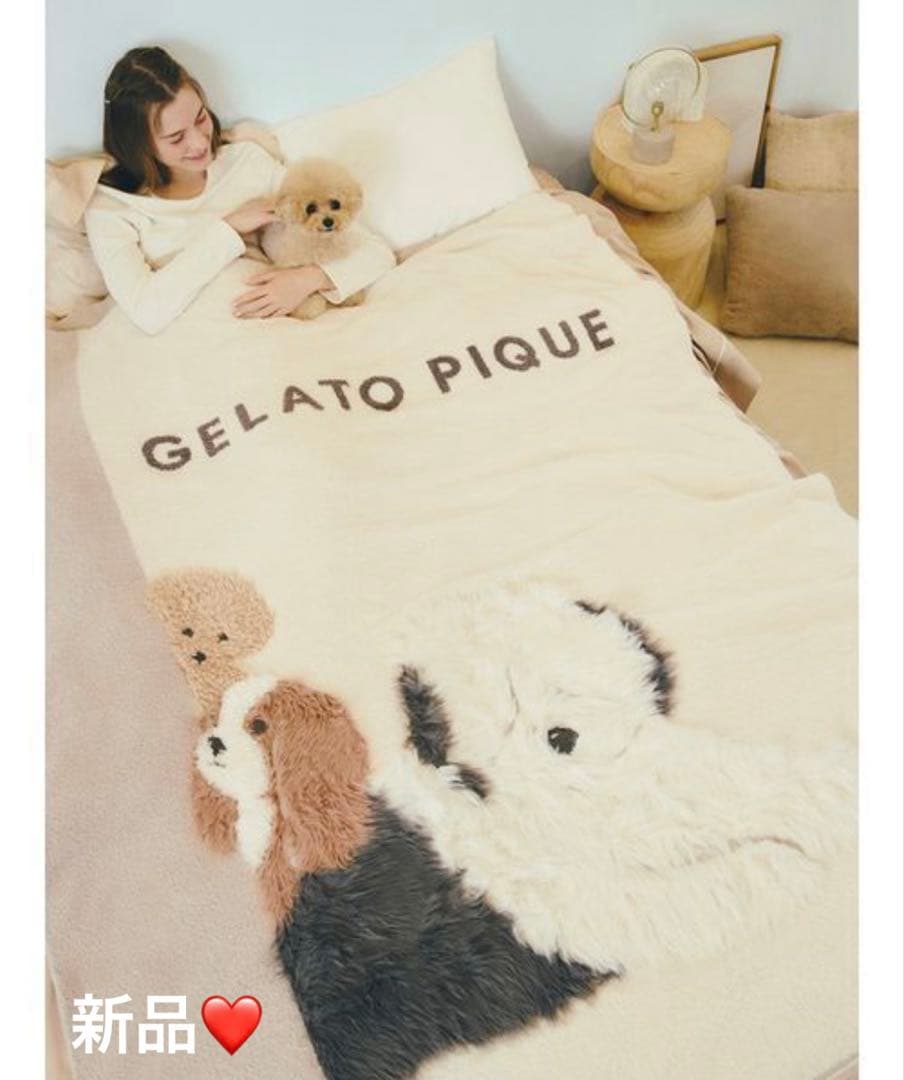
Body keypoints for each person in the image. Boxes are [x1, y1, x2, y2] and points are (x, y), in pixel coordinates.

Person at [85, 46, 395, 335]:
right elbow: (146, 312)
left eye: (201, 118)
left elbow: (375, 253)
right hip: (190, 342)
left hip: (274, 334)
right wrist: (229, 229)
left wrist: (306, 279)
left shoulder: (247, 163)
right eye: (177, 137)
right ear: (139, 146)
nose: (200, 142)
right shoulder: (112, 208)